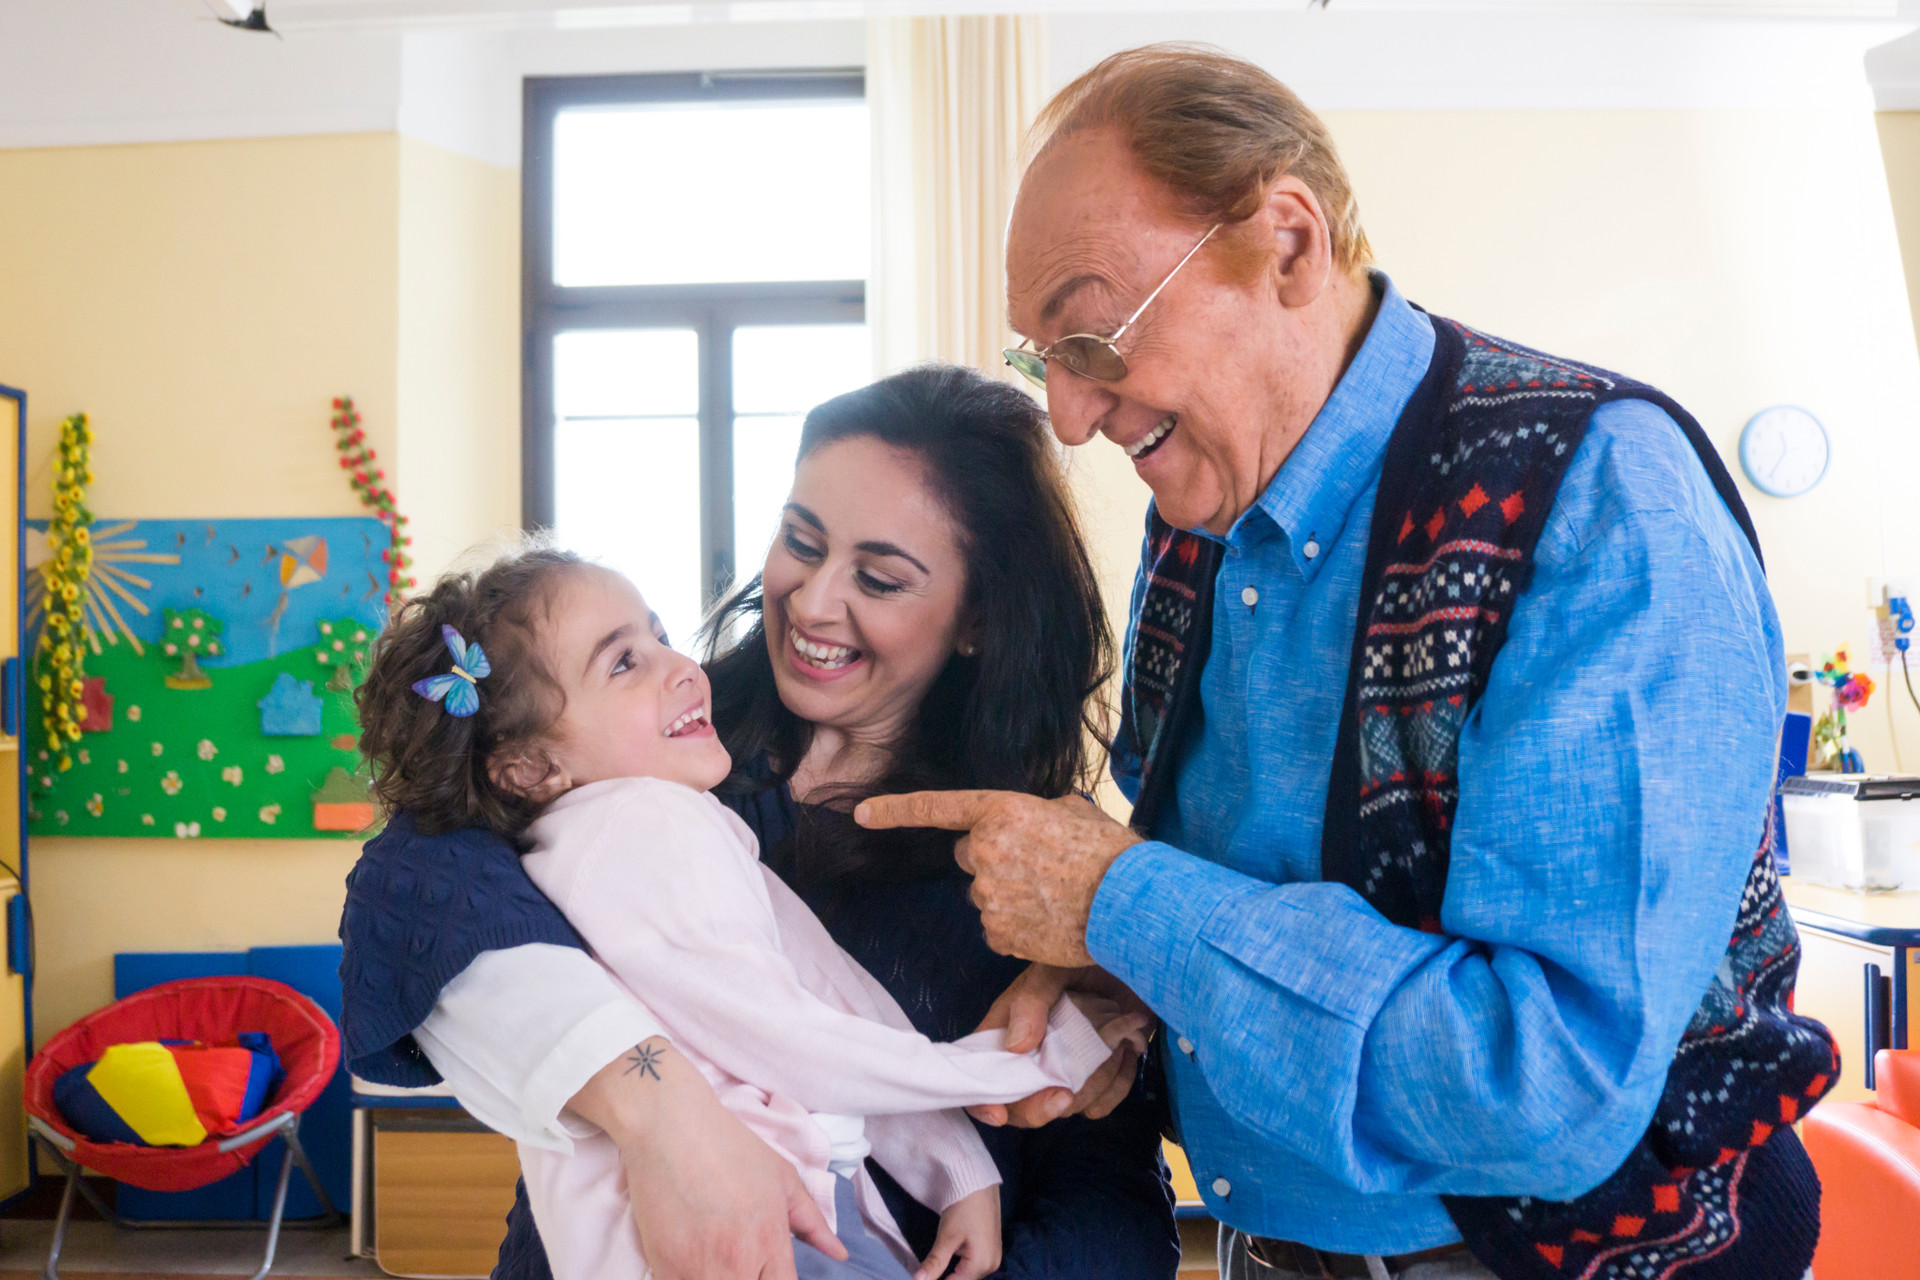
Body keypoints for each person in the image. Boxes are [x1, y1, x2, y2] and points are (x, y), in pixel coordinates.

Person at [856, 45, 1838, 1280]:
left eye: (1092, 336)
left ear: (1288, 244)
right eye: (1040, 357)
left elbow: (1553, 1086)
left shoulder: (1601, 499)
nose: (1068, 414)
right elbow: (1271, 912)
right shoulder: (1198, 526)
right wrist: (1125, 996)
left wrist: (1125, 905)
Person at [338, 364, 1180, 1280]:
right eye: (800, 541)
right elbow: (413, 885)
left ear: (978, 616)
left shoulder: (1041, 859)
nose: (814, 601)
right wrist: (661, 1111)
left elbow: (1111, 1203)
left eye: (881, 578)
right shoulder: (649, 760)